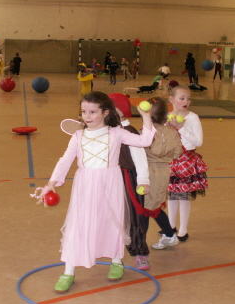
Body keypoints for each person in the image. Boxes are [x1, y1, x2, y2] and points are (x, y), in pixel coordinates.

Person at [43, 91, 155, 293]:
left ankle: (116, 261)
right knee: (78, 225)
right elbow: (65, 160)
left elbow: (145, 141)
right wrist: (52, 182)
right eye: (84, 111)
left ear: (105, 112)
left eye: (92, 112)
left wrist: (146, 116)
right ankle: (68, 271)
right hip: (85, 184)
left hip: (110, 183)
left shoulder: (117, 133)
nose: (87, 116)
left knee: (111, 221)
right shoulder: (78, 136)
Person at [109, 93, 151, 269]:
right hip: (109, 178)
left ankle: (139, 251)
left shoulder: (130, 132)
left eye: (110, 108)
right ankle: (113, 252)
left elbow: (140, 159)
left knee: (134, 215)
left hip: (128, 178)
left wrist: (143, 180)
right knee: (111, 215)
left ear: (122, 111)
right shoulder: (105, 130)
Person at [140, 98, 184, 250]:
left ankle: (140, 243)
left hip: (148, 172)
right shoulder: (173, 132)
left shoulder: (145, 133)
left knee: (145, 208)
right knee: (155, 206)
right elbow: (178, 153)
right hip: (164, 171)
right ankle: (170, 235)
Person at [166, 85, 208, 241]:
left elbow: (199, 141)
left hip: (186, 161)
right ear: (171, 99)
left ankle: (183, 229)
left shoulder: (192, 117)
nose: (186, 101)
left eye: (188, 98)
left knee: (183, 195)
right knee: (171, 195)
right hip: (171, 160)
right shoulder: (167, 116)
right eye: (182, 98)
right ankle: (170, 226)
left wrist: (181, 128)